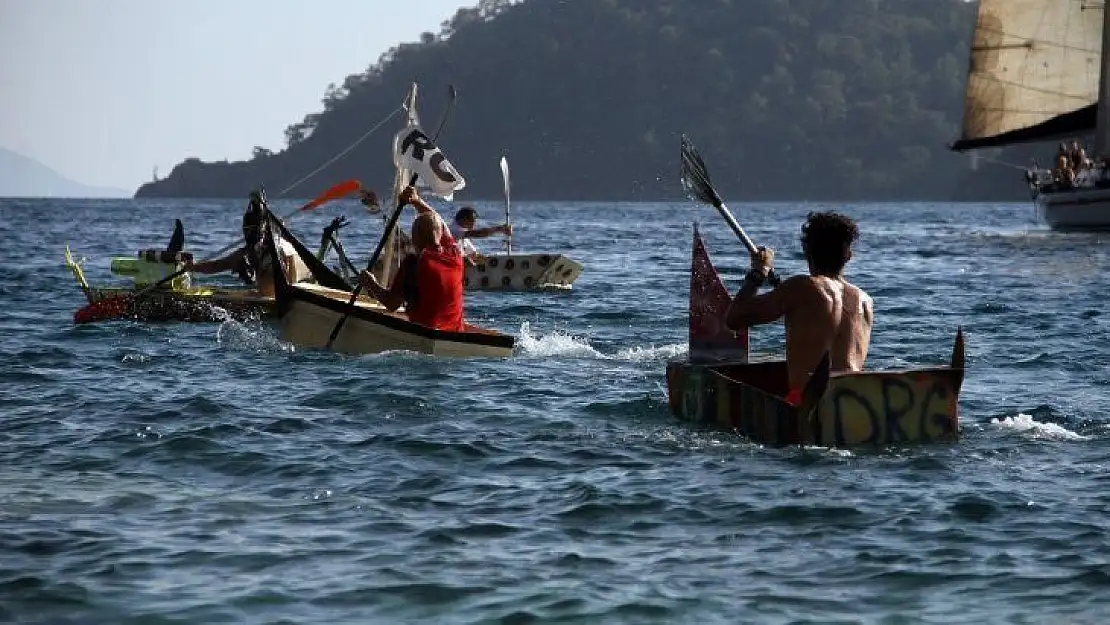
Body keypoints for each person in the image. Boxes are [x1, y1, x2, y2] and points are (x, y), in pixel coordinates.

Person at [725, 211, 873, 406]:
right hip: (855, 405)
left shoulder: (802, 287)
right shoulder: (865, 301)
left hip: (808, 404)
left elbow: (735, 318)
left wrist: (758, 272)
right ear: (849, 256)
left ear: (806, 252)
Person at [358, 186, 465, 331]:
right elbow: (438, 222)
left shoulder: (414, 263)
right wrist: (416, 200)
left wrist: (371, 283)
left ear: (415, 238)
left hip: (424, 334)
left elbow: (392, 304)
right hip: (455, 333)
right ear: (440, 236)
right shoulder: (455, 254)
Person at [185, 191, 308, 296]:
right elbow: (217, 265)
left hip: (291, 286)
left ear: (263, 229)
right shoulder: (246, 253)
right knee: (242, 262)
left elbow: (290, 266)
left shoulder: (282, 248)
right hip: (267, 291)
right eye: (247, 230)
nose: (250, 234)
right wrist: (192, 267)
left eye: (253, 230)